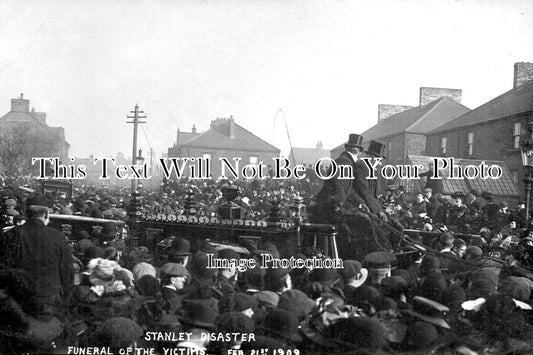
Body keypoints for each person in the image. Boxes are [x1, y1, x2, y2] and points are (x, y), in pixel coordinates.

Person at [0, 194, 74, 305]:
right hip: (49, 302)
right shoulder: (59, 237)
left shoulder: (11, 234)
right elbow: (67, 272)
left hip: (18, 302)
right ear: (46, 215)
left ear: (26, 213)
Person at [314, 133, 366, 223]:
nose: (359, 155)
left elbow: (349, 189)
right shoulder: (344, 161)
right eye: (359, 151)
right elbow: (339, 185)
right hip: (330, 204)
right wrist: (341, 205)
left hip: (336, 202)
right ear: (356, 151)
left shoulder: (347, 161)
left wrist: (361, 202)